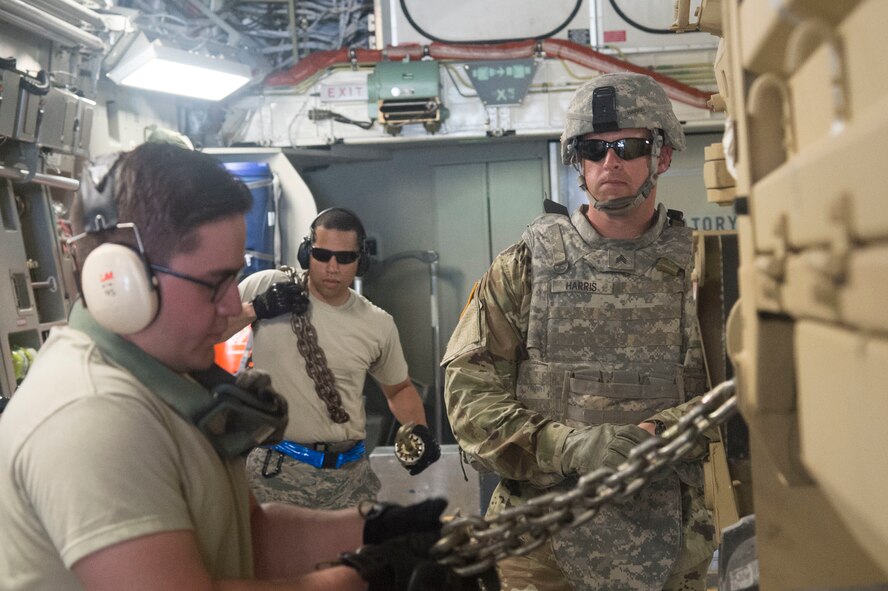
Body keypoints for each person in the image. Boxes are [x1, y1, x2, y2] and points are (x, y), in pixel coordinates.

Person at [0, 143, 467, 591]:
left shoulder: (169, 382)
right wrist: (365, 576)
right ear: (119, 283)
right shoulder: (94, 416)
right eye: (215, 283)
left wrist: (374, 532)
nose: (231, 305)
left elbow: (250, 536)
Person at [443, 72, 718, 591]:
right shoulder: (523, 267)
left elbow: (742, 396)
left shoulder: (703, 269)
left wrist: (658, 434)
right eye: (594, 149)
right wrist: (568, 447)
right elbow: (469, 401)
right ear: (578, 161)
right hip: (539, 548)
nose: (609, 161)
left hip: (673, 543)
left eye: (627, 146)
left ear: (661, 155)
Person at [226, 207, 440, 510]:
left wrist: (419, 431)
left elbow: (399, 389)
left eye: (345, 258)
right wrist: (256, 309)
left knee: (354, 557)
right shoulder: (267, 286)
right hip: (277, 473)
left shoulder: (376, 322)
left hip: (350, 478)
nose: (332, 267)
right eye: (322, 255)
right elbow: (205, 331)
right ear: (306, 253)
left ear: (361, 261)